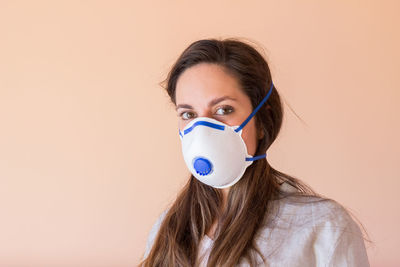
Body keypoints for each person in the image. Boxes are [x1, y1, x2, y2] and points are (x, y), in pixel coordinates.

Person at [139, 38, 370, 266]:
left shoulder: (323, 228)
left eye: (223, 109)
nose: (203, 130)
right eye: (188, 114)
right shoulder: (167, 230)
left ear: (262, 121)